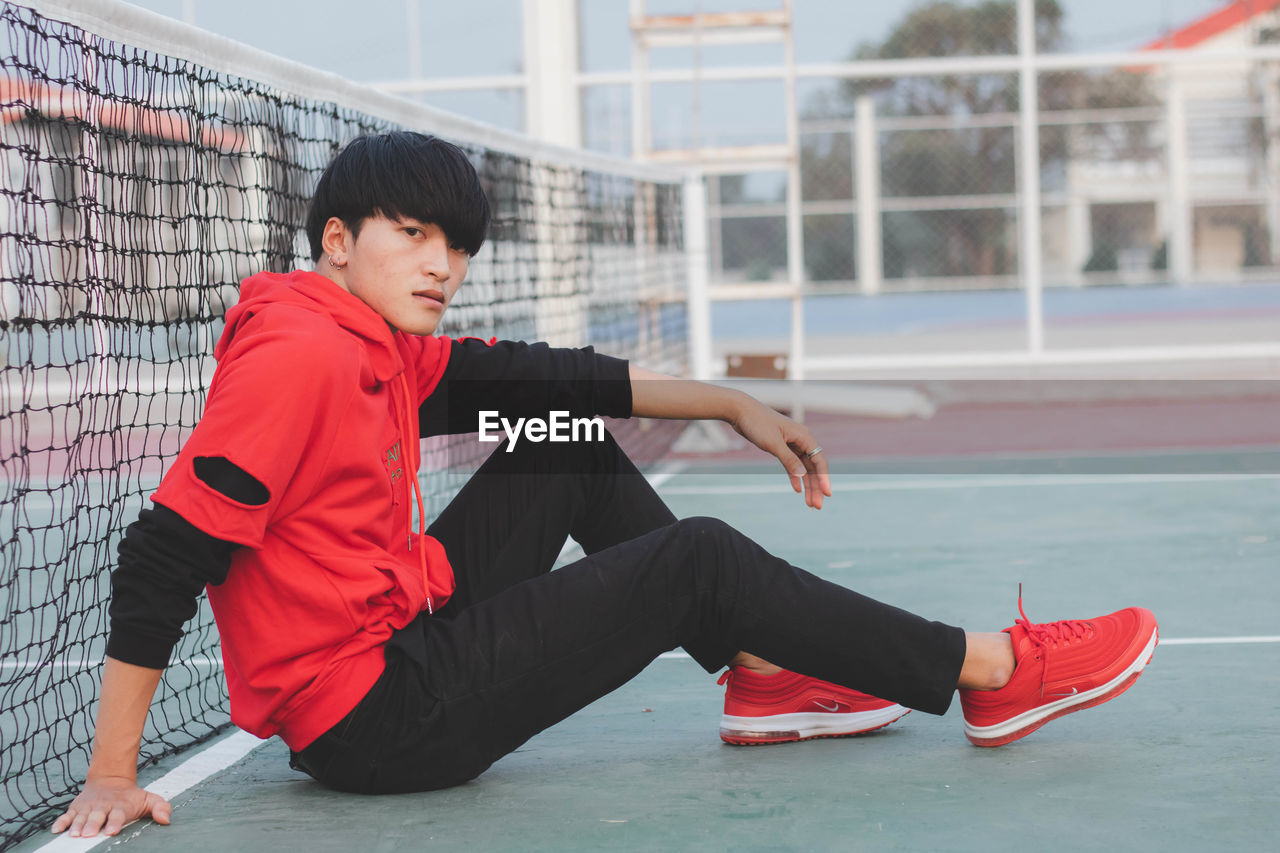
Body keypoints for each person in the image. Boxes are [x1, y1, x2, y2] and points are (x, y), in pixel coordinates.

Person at [52, 132, 1158, 838]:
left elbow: (542, 379)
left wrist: (725, 399)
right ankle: (992, 670)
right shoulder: (300, 355)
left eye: (458, 246)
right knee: (700, 558)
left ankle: (764, 674)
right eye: (413, 234)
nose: (443, 263)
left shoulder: (376, 341)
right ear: (336, 241)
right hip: (379, 717)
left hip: (400, 634)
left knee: (561, 438)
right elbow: (167, 550)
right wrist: (112, 772)